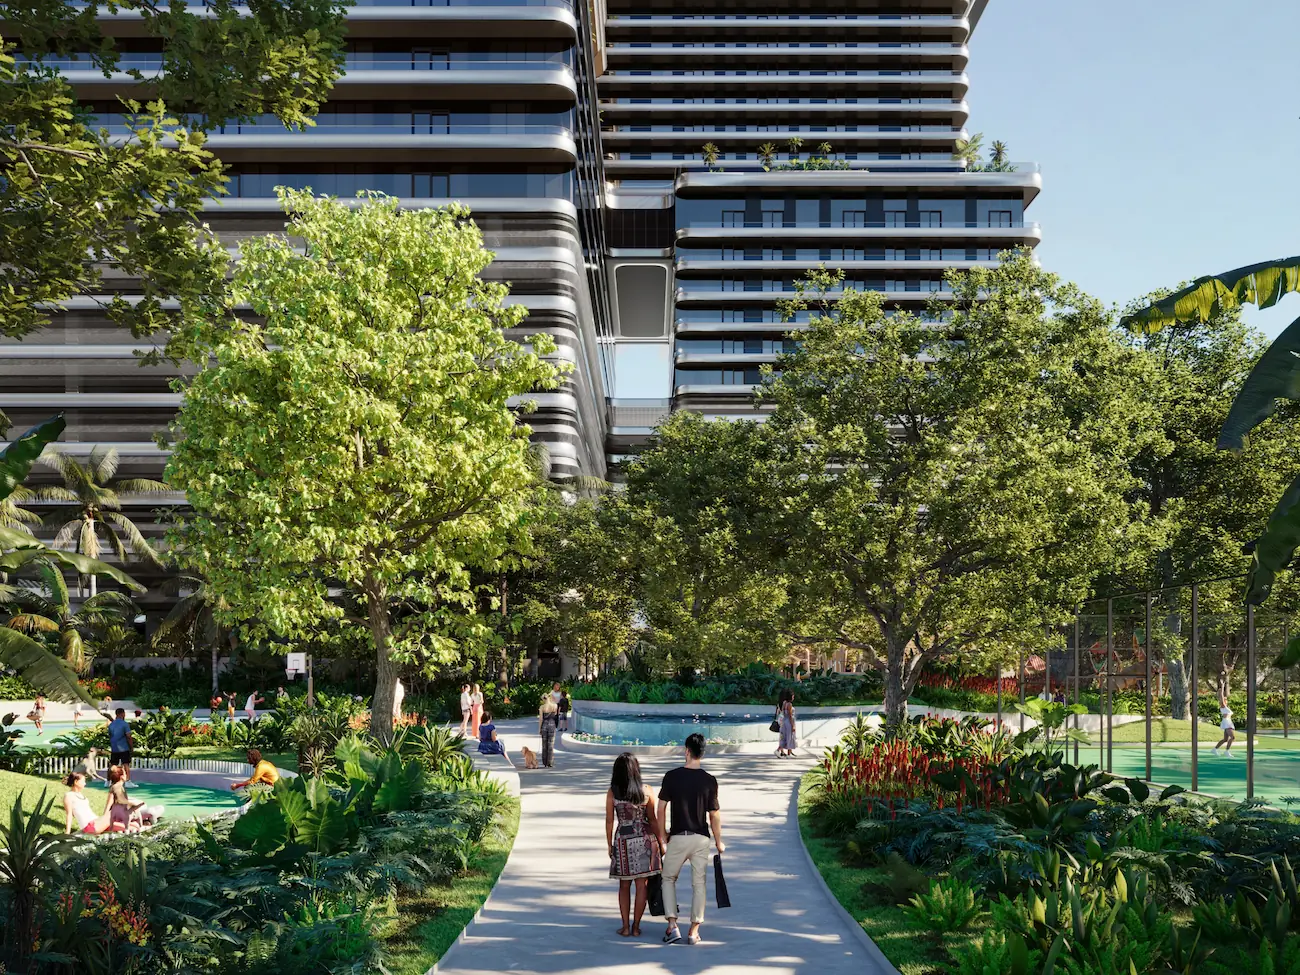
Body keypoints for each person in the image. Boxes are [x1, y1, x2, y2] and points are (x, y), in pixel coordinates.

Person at [657, 733, 723, 947]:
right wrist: (719, 841)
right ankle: (694, 931)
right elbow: (714, 814)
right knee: (699, 884)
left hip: (677, 837)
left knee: (668, 879)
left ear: (686, 751)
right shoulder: (709, 781)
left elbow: (661, 807)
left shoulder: (672, 776)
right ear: (702, 753)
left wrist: (662, 837)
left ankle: (672, 925)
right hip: (701, 839)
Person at [606, 752, 663, 938]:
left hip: (622, 840)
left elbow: (609, 820)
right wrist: (661, 842)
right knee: (642, 885)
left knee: (624, 886)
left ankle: (624, 927)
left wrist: (609, 845)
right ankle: (636, 927)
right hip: (645, 839)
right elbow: (653, 819)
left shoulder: (613, 792)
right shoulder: (646, 791)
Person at [106, 765, 146, 831]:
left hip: (119, 813)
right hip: (123, 814)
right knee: (150, 811)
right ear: (121, 776)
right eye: (125, 774)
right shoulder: (118, 787)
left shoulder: (115, 786)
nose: (126, 776)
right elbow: (121, 800)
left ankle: (139, 825)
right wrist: (133, 803)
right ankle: (141, 826)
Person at [107, 708, 134, 772]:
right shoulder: (125, 724)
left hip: (114, 748)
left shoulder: (111, 725)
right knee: (126, 764)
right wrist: (131, 747)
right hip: (124, 748)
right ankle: (127, 780)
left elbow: (110, 736)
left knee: (113, 764)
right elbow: (128, 737)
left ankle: (109, 780)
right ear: (123, 714)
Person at [538, 695, 559, 768]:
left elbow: (541, 719)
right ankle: (550, 762)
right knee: (551, 744)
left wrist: (539, 729)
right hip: (552, 725)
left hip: (544, 725)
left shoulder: (542, 707)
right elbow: (556, 715)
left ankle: (544, 762)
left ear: (543, 699)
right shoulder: (555, 706)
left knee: (544, 744)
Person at [1214, 692, 1236, 756]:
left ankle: (1215, 749)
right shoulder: (1223, 706)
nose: (1226, 701)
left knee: (1225, 739)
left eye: (1226, 700)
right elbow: (1221, 697)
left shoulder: (1226, 708)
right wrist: (1223, 686)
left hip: (1228, 722)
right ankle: (1227, 751)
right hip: (1227, 722)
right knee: (1233, 737)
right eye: (1225, 700)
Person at [777, 694, 797, 758]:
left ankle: (787, 752)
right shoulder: (789, 705)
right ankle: (788, 754)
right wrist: (793, 725)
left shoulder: (784, 703)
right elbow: (790, 715)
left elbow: (783, 712)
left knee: (785, 737)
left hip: (784, 721)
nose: (793, 697)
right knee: (790, 737)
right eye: (793, 696)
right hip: (789, 722)